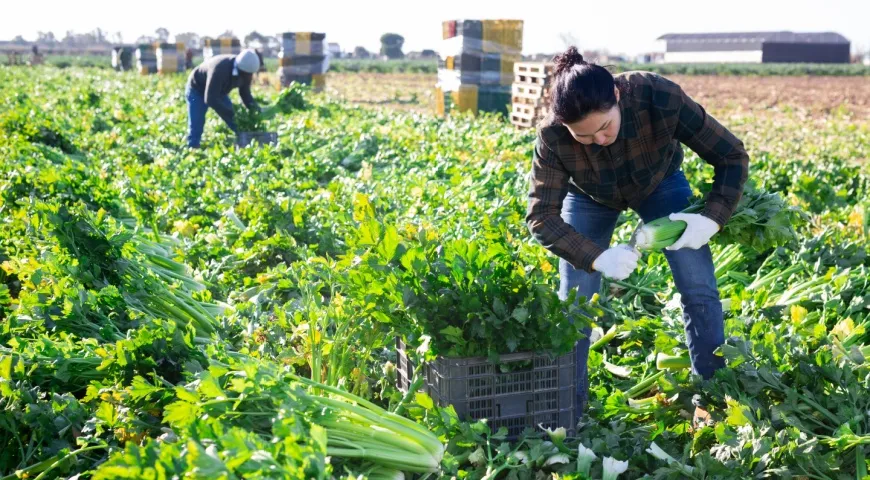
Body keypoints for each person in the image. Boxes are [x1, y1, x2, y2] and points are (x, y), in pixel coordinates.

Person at [525, 47, 749, 424]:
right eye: (584, 136)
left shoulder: (657, 96)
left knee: (698, 287)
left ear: (616, 94)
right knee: (574, 303)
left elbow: (731, 155)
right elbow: (541, 216)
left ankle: (710, 399)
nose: (598, 139)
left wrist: (711, 218)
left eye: (605, 127)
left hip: (659, 182)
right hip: (589, 196)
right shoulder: (553, 137)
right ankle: (567, 409)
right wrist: (595, 257)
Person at [185, 49, 260, 148]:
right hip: (197, 89)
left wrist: (255, 110)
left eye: (250, 75)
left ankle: (247, 143)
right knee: (197, 123)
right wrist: (231, 113)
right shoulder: (220, 68)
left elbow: (245, 94)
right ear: (240, 70)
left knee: (236, 122)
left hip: (219, 91)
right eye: (247, 75)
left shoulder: (246, 72)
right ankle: (192, 148)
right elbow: (210, 99)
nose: (249, 77)